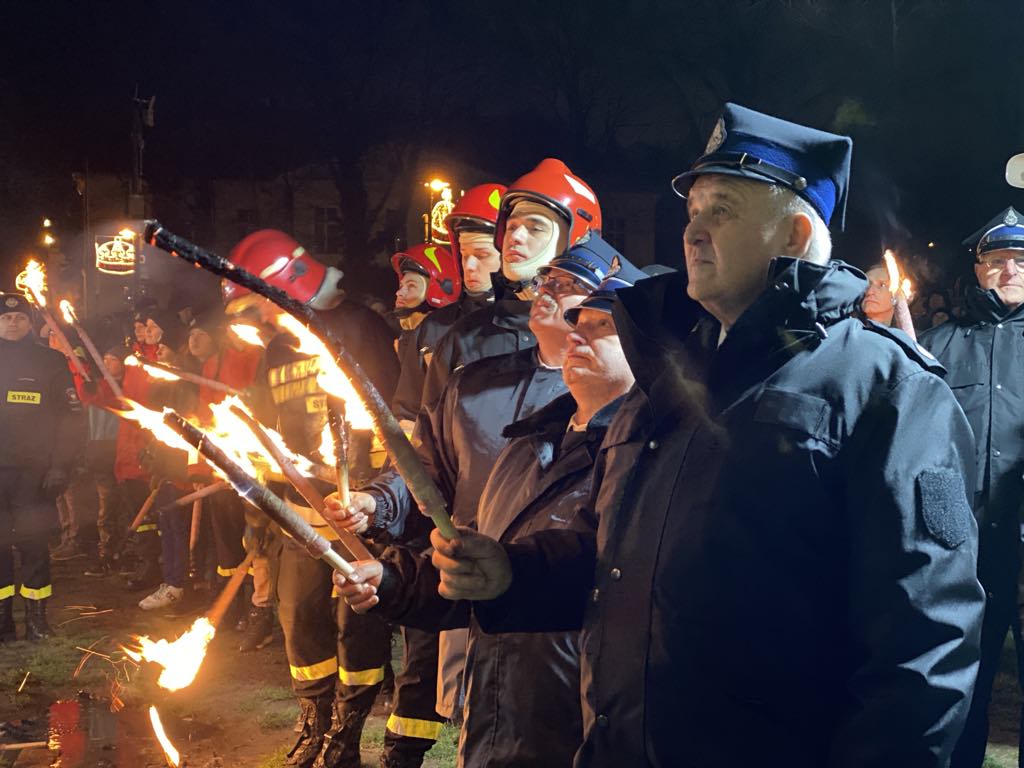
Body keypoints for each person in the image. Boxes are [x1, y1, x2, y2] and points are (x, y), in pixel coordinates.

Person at [428, 103, 985, 767]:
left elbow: (922, 645)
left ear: (795, 234)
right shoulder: (667, 378)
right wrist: (515, 574)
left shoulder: (886, 388)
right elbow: (619, 560)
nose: (692, 230)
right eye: (692, 210)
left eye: (722, 209)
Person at [334, 258, 646, 767]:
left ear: (647, 351)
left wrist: (511, 573)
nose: (577, 335)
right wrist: (391, 581)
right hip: (497, 712)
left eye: (601, 327)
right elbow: (478, 570)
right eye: (578, 322)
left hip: (574, 723)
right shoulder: (524, 448)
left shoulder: (640, 460)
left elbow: (599, 580)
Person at [222, 229, 398, 768]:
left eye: (262, 303)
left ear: (289, 283)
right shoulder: (277, 346)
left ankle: (346, 734)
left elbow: (395, 418)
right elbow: (264, 421)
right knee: (299, 619)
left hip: (356, 512)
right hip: (298, 513)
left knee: (356, 626)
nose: (262, 318)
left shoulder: (362, 327)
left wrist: (374, 494)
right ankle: (313, 723)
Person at [919, 206, 1024, 768]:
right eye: (998, 260)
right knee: (961, 686)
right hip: (961, 551)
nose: (1010, 270)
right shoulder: (934, 345)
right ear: (979, 269)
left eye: (1021, 261)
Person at [419, 160, 601, 412]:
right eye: (511, 226)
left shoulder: (606, 338)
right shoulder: (463, 336)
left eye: (535, 228)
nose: (514, 237)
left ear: (579, 240)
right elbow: (430, 427)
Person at [0, 293, 84, 641]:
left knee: (34, 544)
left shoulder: (50, 360)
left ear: (30, 323)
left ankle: (36, 621)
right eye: (6, 318)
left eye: (19, 317)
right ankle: (3, 621)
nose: (13, 322)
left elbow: (71, 418)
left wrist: (60, 465)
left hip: (35, 475)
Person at [390, 183, 507, 422]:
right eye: (464, 254)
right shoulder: (433, 328)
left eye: (482, 255)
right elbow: (408, 411)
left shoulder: (536, 324)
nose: (469, 266)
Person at [390, 243, 461, 426]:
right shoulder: (407, 337)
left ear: (438, 290)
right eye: (401, 285)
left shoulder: (441, 338)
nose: (399, 292)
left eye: (411, 286)